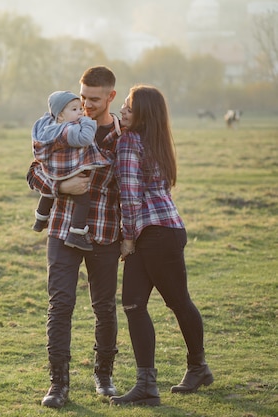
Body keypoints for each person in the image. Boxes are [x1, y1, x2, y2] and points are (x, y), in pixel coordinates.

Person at [110, 85, 213, 406]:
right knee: (139, 304)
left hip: (151, 234)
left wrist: (127, 238)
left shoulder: (129, 141)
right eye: (124, 106)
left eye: (128, 107)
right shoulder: (156, 141)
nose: (123, 111)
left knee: (167, 302)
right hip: (166, 230)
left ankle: (192, 370)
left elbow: (129, 195)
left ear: (143, 114)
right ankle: (155, 382)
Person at [27, 66, 122, 408]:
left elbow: (129, 187)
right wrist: (59, 185)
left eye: (94, 99)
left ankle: (105, 375)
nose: (86, 105)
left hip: (105, 231)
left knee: (104, 307)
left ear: (111, 96)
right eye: (82, 97)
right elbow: (34, 169)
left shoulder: (123, 136)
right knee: (61, 304)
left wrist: (130, 235)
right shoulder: (61, 124)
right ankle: (58, 384)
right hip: (63, 230)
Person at [31, 90, 111, 251]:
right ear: (60, 115)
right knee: (83, 200)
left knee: (47, 194)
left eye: (79, 108)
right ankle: (76, 233)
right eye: (74, 110)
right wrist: (88, 123)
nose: (81, 112)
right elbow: (85, 138)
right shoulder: (68, 129)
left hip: (54, 171)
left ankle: (40, 218)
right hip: (69, 172)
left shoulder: (48, 129)